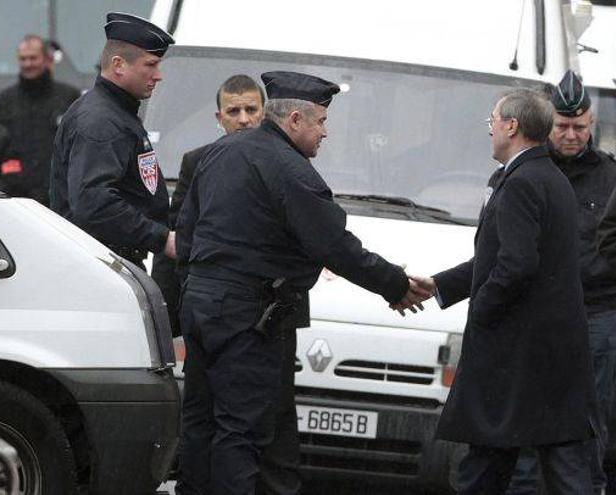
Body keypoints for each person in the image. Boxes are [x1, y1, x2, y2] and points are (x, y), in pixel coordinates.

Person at [175, 70, 429, 495]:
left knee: (200, 424)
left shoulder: (219, 153)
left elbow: (186, 230)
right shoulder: (289, 169)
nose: (325, 133)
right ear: (295, 119)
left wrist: (196, 288)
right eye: (322, 121)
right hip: (247, 315)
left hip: (202, 305)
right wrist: (396, 285)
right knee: (241, 431)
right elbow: (336, 245)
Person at [409, 88, 595, 494]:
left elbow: (515, 266)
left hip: (517, 351)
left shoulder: (522, 182)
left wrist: (483, 311)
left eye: (492, 120)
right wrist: (442, 284)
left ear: (511, 126)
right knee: (548, 458)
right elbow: (505, 258)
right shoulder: (548, 176)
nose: (490, 128)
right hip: (549, 351)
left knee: (494, 459)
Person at [507, 71, 616, 495]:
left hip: (597, 309)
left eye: (580, 127)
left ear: (592, 125)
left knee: (590, 421)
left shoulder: (609, 176)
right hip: (537, 313)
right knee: (528, 417)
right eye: (562, 126)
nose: (571, 135)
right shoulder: (527, 171)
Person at [49, 13, 176, 266]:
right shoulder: (101, 120)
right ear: (118, 65)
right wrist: (162, 239)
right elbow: (94, 203)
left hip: (110, 260)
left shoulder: (116, 112)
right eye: (151, 65)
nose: (158, 75)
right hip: (101, 263)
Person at [151, 74, 265, 336]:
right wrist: (167, 316)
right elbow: (178, 235)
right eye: (234, 111)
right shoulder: (196, 163)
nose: (244, 119)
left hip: (266, 310)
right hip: (214, 307)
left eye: (251, 110)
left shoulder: (286, 162)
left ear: (264, 113)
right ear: (219, 118)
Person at [0, 34, 80, 204]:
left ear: (47, 60)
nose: (28, 64)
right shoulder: (0, 104)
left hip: (58, 196)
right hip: (13, 199)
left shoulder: (70, 98)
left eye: (33, 58)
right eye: (23, 59)